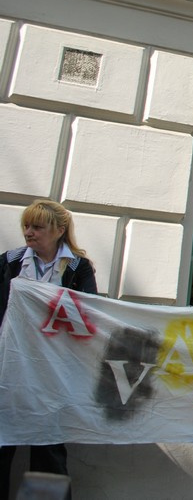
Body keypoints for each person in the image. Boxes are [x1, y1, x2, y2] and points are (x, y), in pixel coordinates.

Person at [0, 199, 97, 500]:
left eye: (37, 226)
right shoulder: (10, 262)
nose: (29, 232)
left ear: (59, 230)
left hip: (51, 370)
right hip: (8, 367)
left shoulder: (78, 268)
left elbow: (89, 315)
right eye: (26, 225)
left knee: (48, 450)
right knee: (2, 444)